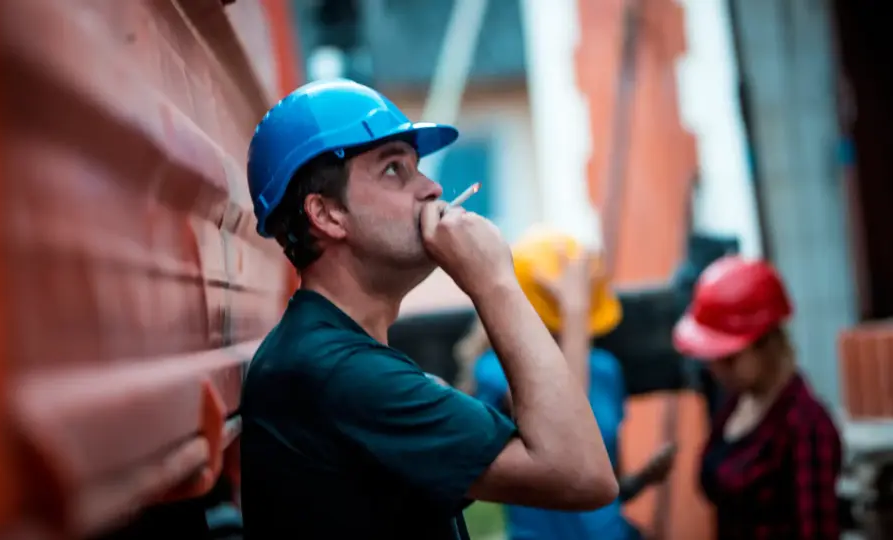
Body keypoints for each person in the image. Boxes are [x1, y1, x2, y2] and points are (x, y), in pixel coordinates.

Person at [238, 79, 617, 539]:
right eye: (394, 170)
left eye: (417, 166)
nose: (432, 188)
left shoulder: (335, 360)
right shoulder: (336, 373)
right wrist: (495, 282)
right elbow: (581, 473)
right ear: (327, 214)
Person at [468, 228, 676, 540]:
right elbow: (564, 424)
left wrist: (641, 480)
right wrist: (575, 312)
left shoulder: (605, 369)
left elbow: (598, 482)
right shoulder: (497, 370)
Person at [672, 255, 843, 539]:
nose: (715, 370)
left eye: (728, 359)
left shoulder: (804, 425)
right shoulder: (737, 404)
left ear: (766, 344)